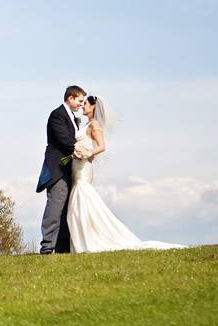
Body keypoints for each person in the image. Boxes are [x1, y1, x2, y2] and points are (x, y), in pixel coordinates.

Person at [66, 95, 185, 253]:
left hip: (83, 167)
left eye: (85, 104)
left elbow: (101, 146)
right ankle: (82, 240)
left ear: (93, 106)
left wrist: (85, 154)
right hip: (76, 166)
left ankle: (91, 240)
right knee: (77, 201)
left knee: (82, 199)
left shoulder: (94, 124)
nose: (82, 106)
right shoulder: (85, 123)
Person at [36, 85, 86, 254]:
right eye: (79, 100)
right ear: (70, 98)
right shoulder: (57, 115)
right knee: (55, 207)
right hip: (58, 168)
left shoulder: (72, 117)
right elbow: (65, 140)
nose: (81, 104)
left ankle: (62, 247)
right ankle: (47, 247)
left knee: (67, 209)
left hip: (71, 169)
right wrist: (80, 149)